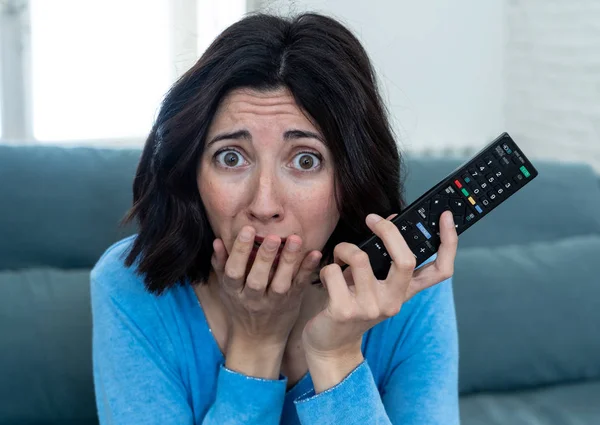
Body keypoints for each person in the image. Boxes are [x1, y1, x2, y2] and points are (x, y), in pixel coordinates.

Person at [90, 11, 460, 425]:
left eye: (305, 160)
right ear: (191, 172)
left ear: (351, 178)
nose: (264, 204)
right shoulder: (127, 285)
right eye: (231, 158)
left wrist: (336, 357)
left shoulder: (405, 280)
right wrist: (256, 346)